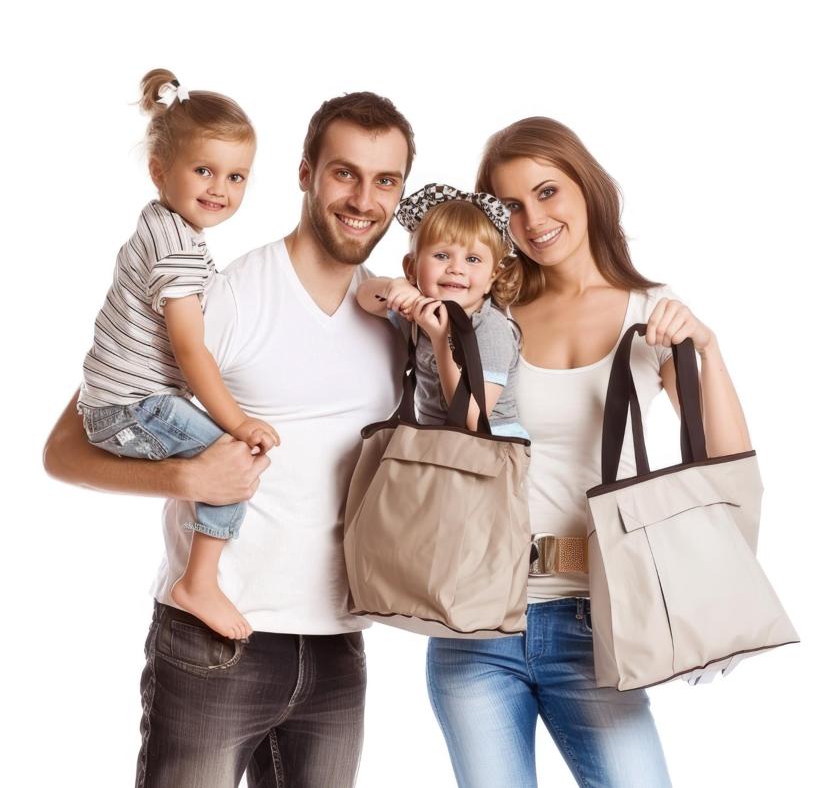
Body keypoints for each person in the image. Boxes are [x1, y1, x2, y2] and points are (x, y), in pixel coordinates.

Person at [43, 91, 415, 788]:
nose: (363, 198)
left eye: (384, 179)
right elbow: (64, 448)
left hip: (338, 645)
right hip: (215, 646)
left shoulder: (391, 315)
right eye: (343, 173)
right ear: (304, 174)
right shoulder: (231, 294)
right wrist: (183, 479)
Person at [424, 117, 753, 788]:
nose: (534, 219)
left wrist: (705, 349)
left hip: (596, 617)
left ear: (586, 189)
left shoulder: (650, 310)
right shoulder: (491, 311)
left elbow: (725, 465)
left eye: (547, 192)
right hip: (476, 616)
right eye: (511, 206)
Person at [78, 68, 278, 641]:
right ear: (159, 171)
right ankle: (199, 580)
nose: (220, 188)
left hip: (118, 400)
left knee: (224, 453)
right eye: (203, 171)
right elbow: (190, 352)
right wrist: (236, 422)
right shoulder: (178, 250)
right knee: (233, 459)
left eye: (236, 176)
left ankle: (201, 575)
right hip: (132, 407)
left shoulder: (163, 224)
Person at [356, 183, 528, 439]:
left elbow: (472, 418)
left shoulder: (491, 328)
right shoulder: (422, 312)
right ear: (412, 267)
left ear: (492, 278)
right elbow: (364, 296)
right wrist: (397, 287)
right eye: (441, 255)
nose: (456, 268)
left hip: (488, 452)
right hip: (437, 445)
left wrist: (440, 341)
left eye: (472, 259)